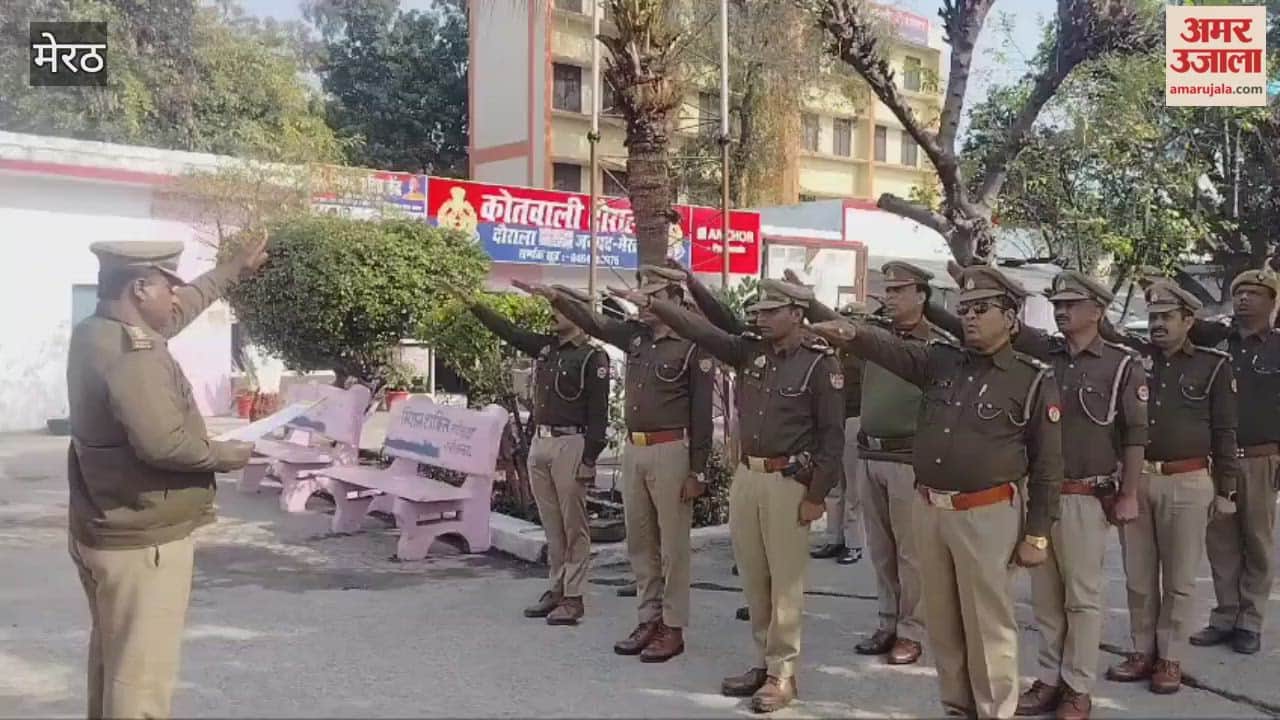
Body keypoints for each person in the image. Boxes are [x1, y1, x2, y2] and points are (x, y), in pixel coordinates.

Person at [812, 265, 1064, 719]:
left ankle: (995, 712)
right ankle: (956, 708)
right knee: (944, 626)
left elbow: (1048, 465)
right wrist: (852, 332)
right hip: (931, 510)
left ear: (1010, 319)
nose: (968, 317)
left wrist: (1038, 533)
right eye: (963, 308)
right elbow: (891, 350)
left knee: (989, 628)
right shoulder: (941, 361)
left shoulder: (1031, 378)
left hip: (987, 514)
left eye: (981, 309)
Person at [612, 278, 843, 712]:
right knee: (755, 579)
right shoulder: (751, 352)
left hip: (789, 481)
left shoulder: (819, 365)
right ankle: (762, 662)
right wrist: (672, 297)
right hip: (748, 478)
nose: (760, 317)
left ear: (797, 313)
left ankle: (784, 673)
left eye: (772, 310)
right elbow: (705, 328)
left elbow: (832, 438)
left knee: (784, 584)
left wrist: (817, 494)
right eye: (758, 311)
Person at [66, 237, 268, 719]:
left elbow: (180, 310)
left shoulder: (96, 331)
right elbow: (163, 444)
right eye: (167, 287)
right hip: (143, 541)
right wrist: (229, 455)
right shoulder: (134, 355)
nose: (176, 297)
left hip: (103, 524)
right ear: (140, 289)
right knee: (141, 685)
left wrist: (232, 270)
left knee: (115, 665)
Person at [934, 269, 1148, 719]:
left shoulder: (1121, 364)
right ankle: (1050, 678)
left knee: (1082, 597)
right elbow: (991, 320)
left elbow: (1134, 436)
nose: (1062, 312)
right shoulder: (1042, 352)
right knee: (1045, 597)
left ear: (1098, 310)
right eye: (1056, 305)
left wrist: (1129, 493)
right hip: (1036, 496)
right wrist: (971, 276)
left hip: (1087, 496)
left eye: (1071, 304)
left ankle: (1078, 686)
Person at [525, 267, 713, 663]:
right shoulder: (636, 340)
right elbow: (594, 321)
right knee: (640, 541)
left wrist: (698, 470)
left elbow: (701, 417)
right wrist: (556, 298)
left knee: (673, 546)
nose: (644, 298)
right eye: (643, 290)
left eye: (655, 292)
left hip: (671, 450)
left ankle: (672, 626)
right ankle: (648, 617)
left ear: (676, 301)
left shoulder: (692, 347)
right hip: (635, 450)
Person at [1100, 280, 1241, 694]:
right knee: (1138, 576)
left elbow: (1226, 432)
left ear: (1188, 320)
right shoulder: (1134, 362)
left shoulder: (1214, 365)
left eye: (1167, 317)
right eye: (1154, 317)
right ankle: (1142, 650)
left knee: (1180, 578)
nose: (1158, 324)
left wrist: (1226, 490)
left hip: (1189, 480)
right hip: (1138, 478)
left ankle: (1171, 657)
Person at [807, 262, 945, 665]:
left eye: (900, 289)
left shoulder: (934, 346)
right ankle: (887, 621)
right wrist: (806, 300)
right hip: (870, 453)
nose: (891, 296)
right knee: (882, 551)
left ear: (921, 295)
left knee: (911, 552)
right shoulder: (875, 338)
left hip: (907, 458)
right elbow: (835, 324)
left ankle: (912, 630)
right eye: (889, 289)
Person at [458, 282, 610, 626]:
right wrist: (475, 306)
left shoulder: (592, 357)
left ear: (578, 312)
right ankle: (556, 588)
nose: (553, 313)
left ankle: (574, 596)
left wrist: (590, 459)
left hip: (572, 444)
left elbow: (599, 415)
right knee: (552, 526)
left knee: (575, 526)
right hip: (541, 444)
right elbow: (510, 331)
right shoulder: (548, 348)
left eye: (561, 307)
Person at [1182, 269, 1280, 656]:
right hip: (1217, 460)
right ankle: (1224, 616)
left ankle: (1250, 621)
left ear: (1272, 303)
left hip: (1260, 459)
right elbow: (1182, 324)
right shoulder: (1217, 343)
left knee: (1257, 541)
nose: (1244, 300)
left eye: (1255, 294)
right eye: (1239, 293)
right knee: (1220, 543)